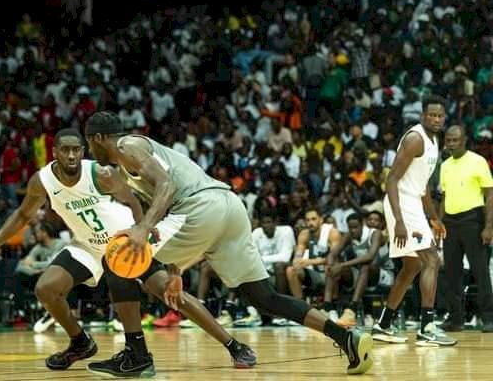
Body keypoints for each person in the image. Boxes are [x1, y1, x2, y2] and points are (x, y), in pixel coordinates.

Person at [84, 111, 372, 375]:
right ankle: (345, 336)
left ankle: (137, 356)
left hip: (199, 206)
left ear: (97, 138)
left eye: (89, 145)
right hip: (227, 207)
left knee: (116, 258)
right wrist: (174, 269)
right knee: (263, 297)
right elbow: (170, 217)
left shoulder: (127, 147)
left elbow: (167, 186)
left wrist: (143, 227)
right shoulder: (130, 160)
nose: (91, 153)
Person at [0, 129, 256, 377]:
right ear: (54, 152)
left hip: (121, 244)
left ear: (82, 151)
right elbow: (22, 215)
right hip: (88, 245)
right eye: (64, 150)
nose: (70, 156)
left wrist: (142, 228)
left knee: (169, 294)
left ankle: (234, 346)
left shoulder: (101, 173)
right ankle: (80, 343)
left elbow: (134, 202)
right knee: (46, 288)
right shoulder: (42, 181)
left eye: (76, 150)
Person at [372, 95, 456, 346]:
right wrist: (398, 220)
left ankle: (383, 325)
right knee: (430, 259)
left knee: (412, 266)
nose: (436, 119)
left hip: (413, 204)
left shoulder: (434, 142)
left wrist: (434, 218)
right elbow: (391, 180)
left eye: (440, 115)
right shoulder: (415, 139)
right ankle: (427, 327)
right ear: (422, 116)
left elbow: (424, 189)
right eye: (432, 115)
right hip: (401, 204)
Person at [439, 125, 493, 332]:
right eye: (448, 140)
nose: (451, 143)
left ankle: (488, 317)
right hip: (450, 222)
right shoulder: (444, 165)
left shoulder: (478, 161)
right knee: (451, 272)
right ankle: (456, 319)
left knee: (480, 271)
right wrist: (439, 222)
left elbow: (489, 195)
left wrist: (489, 227)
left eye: (455, 140)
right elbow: (444, 197)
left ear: (464, 141)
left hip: (473, 219)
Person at [326, 213, 393, 327]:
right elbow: (333, 253)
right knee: (333, 267)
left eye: (355, 227)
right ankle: (327, 308)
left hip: (384, 274)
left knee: (365, 265)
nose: (352, 230)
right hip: (362, 274)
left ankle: (351, 310)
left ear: (363, 225)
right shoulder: (348, 236)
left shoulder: (375, 234)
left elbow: (370, 257)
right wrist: (331, 264)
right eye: (350, 227)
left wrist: (342, 265)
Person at [285, 207, 342, 321]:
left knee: (331, 266)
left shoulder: (332, 233)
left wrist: (309, 262)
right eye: (308, 220)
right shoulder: (304, 234)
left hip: (331, 273)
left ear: (321, 220)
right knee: (290, 270)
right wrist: (297, 261)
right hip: (314, 273)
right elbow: (298, 255)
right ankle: (301, 310)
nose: (310, 223)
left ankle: (331, 309)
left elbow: (333, 257)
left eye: (313, 219)